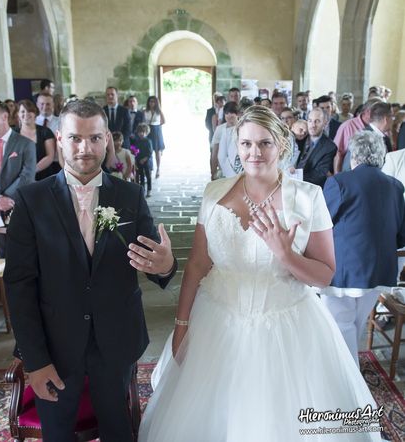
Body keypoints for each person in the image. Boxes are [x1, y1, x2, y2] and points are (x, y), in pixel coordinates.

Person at [139, 106, 381, 442]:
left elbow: (325, 275)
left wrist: (285, 254)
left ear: (281, 145)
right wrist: (182, 324)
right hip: (217, 321)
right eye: (246, 144)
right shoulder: (214, 193)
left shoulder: (308, 196)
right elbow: (197, 264)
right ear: (236, 146)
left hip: (287, 324)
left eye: (264, 143)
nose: (255, 152)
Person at [4, 99, 177, 442]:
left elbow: (155, 264)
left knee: (119, 431)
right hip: (55, 345)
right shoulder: (31, 200)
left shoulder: (129, 195)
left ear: (108, 140)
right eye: (75, 138)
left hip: (115, 342)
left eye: (95, 138)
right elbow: (19, 285)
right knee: (58, 434)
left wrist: (166, 264)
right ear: (60, 138)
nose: (86, 148)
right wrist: (35, 361)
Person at [321, 130, 405, 365]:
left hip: (347, 269)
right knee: (355, 323)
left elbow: (322, 224)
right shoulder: (395, 186)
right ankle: (349, 368)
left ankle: (349, 377)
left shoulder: (338, 182)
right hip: (381, 270)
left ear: (353, 155)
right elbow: (401, 233)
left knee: (340, 324)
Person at [0, 100, 36, 257]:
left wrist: (6, 199)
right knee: (3, 255)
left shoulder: (26, 144)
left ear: (4, 116)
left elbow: (27, 176)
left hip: (20, 205)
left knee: (25, 251)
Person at [16, 99, 55, 180]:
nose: (26, 114)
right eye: (22, 111)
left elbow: (50, 156)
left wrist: (31, 171)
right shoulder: (13, 133)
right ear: (18, 115)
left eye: (29, 111)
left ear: (35, 113)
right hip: (18, 178)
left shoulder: (45, 131)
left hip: (44, 176)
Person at [144, 96, 165, 179]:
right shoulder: (145, 111)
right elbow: (143, 121)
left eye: (153, 102)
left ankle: (158, 169)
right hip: (148, 130)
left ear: (156, 103)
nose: (151, 103)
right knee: (148, 150)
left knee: (157, 151)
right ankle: (149, 169)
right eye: (150, 101)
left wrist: (157, 126)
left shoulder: (159, 111)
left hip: (156, 130)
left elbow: (163, 121)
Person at [133, 123, 153, 197]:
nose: (142, 134)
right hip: (139, 161)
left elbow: (150, 152)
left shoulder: (148, 141)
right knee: (141, 176)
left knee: (148, 176)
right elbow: (135, 150)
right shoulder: (137, 141)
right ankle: (142, 190)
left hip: (147, 161)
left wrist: (144, 159)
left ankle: (149, 189)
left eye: (143, 132)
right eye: (140, 132)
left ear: (147, 132)